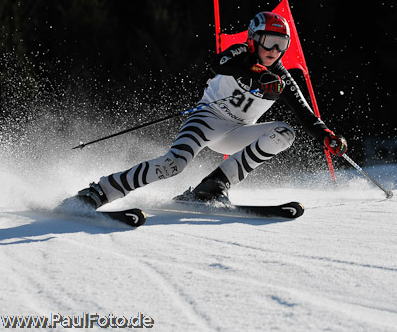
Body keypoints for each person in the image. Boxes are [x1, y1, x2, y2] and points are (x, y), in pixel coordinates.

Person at [74, 11, 348, 208]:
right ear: (254, 39)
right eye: (269, 41)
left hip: (237, 132)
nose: (275, 50)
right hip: (206, 119)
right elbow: (218, 63)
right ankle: (99, 192)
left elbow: (305, 114)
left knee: (285, 133)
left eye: (282, 44)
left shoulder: (282, 80)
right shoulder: (241, 54)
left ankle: (214, 185)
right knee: (173, 165)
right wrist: (256, 74)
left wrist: (328, 136)